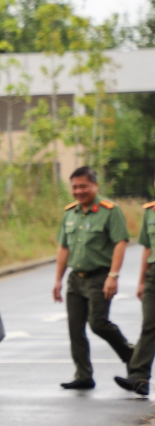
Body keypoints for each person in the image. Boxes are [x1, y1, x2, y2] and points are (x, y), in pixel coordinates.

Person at [53, 166, 132, 390]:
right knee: (75, 328)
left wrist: (113, 276)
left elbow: (120, 242)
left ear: (95, 186)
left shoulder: (109, 211)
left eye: (84, 186)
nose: (79, 191)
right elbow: (64, 248)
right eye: (75, 187)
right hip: (75, 279)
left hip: (99, 277)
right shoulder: (70, 213)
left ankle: (132, 356)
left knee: (98, 323)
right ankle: (83, 375)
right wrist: (58, 280)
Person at [114, 196, 155, 396]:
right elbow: (147, 247)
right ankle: (139, 377)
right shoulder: (150, 211)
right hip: (153, 275)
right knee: (149, 324)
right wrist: (141, 280)